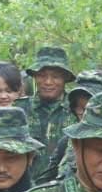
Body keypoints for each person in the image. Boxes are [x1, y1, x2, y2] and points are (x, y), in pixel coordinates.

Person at [17, 46, 74, 182]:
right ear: (35, 77)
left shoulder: (76, 111)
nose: (48, 82)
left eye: (55, 77)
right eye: (42, 76)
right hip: (23, 190)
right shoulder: (19, 110)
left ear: (65, 79)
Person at [50, 68, 102, 176]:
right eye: (79, 107)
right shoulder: (67, 142)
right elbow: (46, 182)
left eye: (90, 109)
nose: (83, 114)